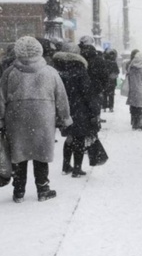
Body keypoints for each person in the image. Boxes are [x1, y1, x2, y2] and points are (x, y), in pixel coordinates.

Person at [0, 36, 72, 202]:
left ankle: (18, 191)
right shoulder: (50, 72)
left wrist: (1, 120)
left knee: (19, 155)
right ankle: (43, 189)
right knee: (41, 155)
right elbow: (62, 97)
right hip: (43, 120)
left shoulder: (10, 73)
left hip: (16, 119)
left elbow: (1, 99)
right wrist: (65, 118)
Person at [53, 42, 101, 177]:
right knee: (79, 138)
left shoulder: (57, 70)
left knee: (69, 137)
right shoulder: (80, 70)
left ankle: (66, 165)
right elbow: (88, 93)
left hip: (63, 108)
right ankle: (77, 169)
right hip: (80, 109)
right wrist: (94, 110)